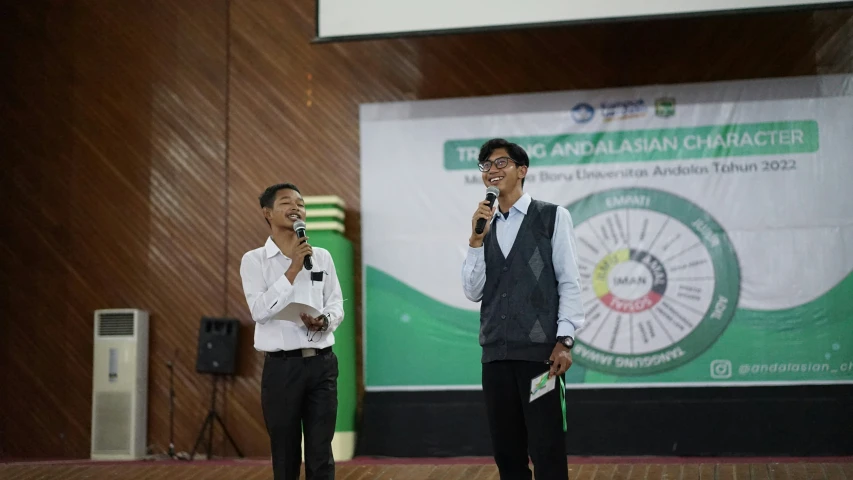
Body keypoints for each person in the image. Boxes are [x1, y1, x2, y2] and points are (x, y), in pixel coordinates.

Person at [461, 139, 586, 480]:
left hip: (539, 357)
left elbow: (569, 280)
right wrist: (475, 242)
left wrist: (566, 339)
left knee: (546, 448)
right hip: (496, 356)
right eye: (486, 165)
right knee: (507, 451)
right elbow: (473, 292)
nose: (492, 170)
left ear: (522, 170)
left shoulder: (551, 217)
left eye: (501, 163)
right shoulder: (484, 226)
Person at [240, 183, 344, 480]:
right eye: (287, 202)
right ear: (268, 213)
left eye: (300, 203)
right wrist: (292, 270)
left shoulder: (321, 257)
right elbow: (259, 311)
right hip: (282, 368)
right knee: (285, 454)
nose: (297, 207)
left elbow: (336, 303)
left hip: (322, 364)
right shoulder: (254, 260)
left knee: (321, 451)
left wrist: (325, 320)